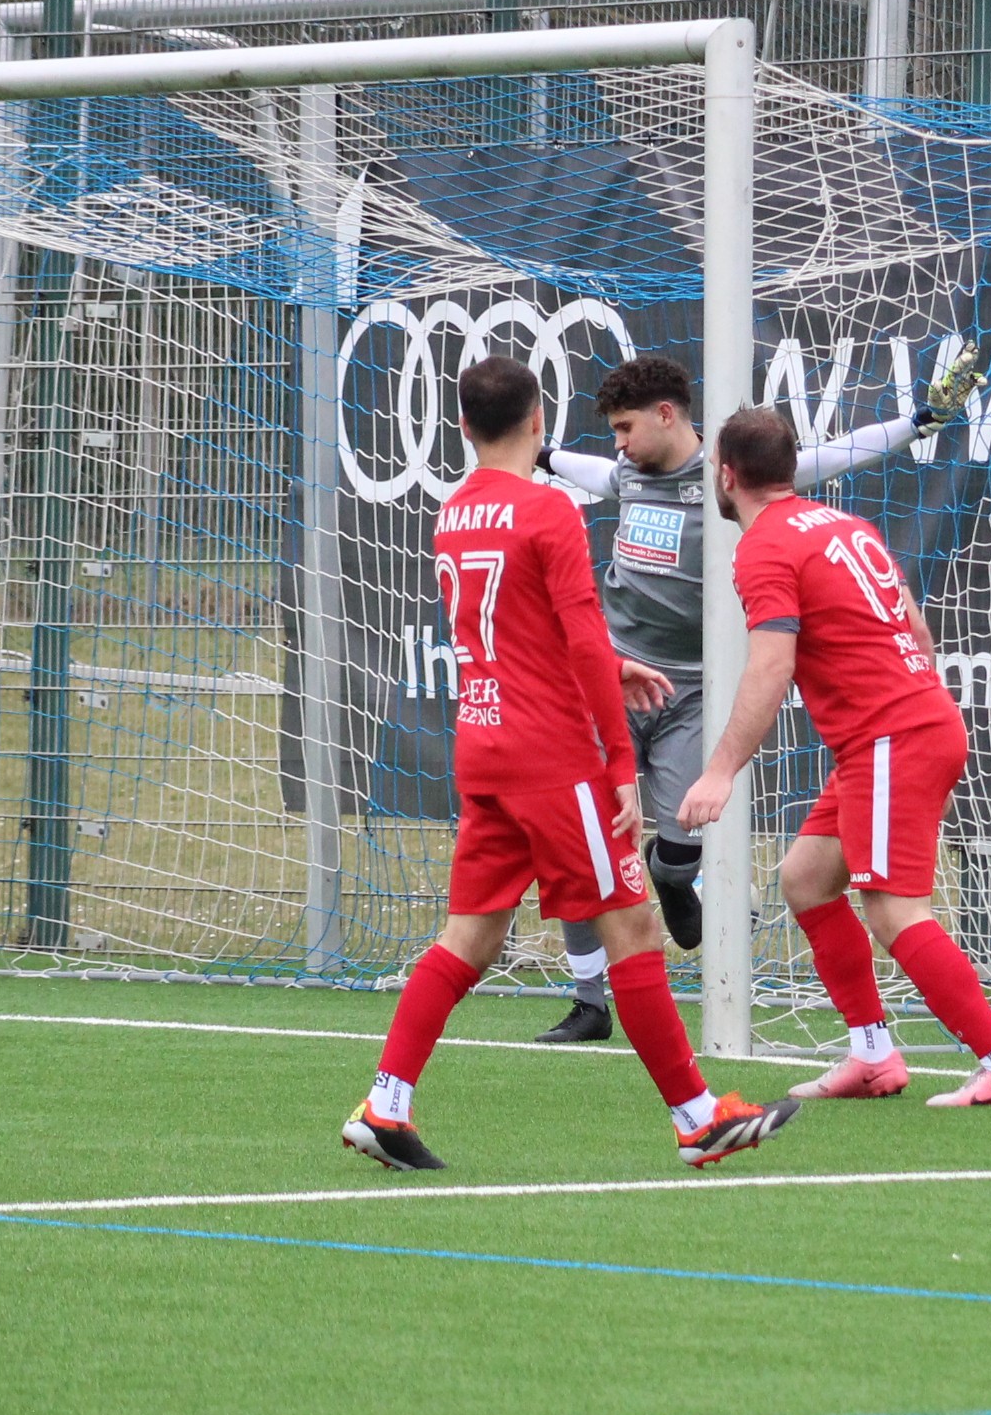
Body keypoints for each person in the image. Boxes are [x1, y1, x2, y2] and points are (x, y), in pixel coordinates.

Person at [343, 356, 801, 1172]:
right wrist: (619, 762)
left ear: (461, 427)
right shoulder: (547, 509)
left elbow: (521, 628)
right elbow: (584, 636)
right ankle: (697, 1118)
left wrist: (609, 667)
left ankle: (386, 1103)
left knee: (469, 936)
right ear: (537, 421)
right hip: (551, 757)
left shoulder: (455, 511)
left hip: (482, 744)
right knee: (632, 924)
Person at [528, 352, 934, 1044]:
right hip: (613, 680)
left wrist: (917, 422)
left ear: (666, 416)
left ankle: (671, 876)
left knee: (678, 849)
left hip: (690, 690)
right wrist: (538, 453)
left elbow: (841, 452)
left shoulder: (727, 475)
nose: (618, 445)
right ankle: (589, 1001)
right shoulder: (627, 474)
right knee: (581, 839)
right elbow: (582, 468)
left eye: (626, 428)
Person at [677, 405, 991, 1109]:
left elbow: (770, 665)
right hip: (906, 727)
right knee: (806, 879)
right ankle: (872, 1056)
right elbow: (915, 627)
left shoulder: (763, 547)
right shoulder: (845, 526)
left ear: (725, 474)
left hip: (890, 739)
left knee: (895, 912)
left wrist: (719, 771)